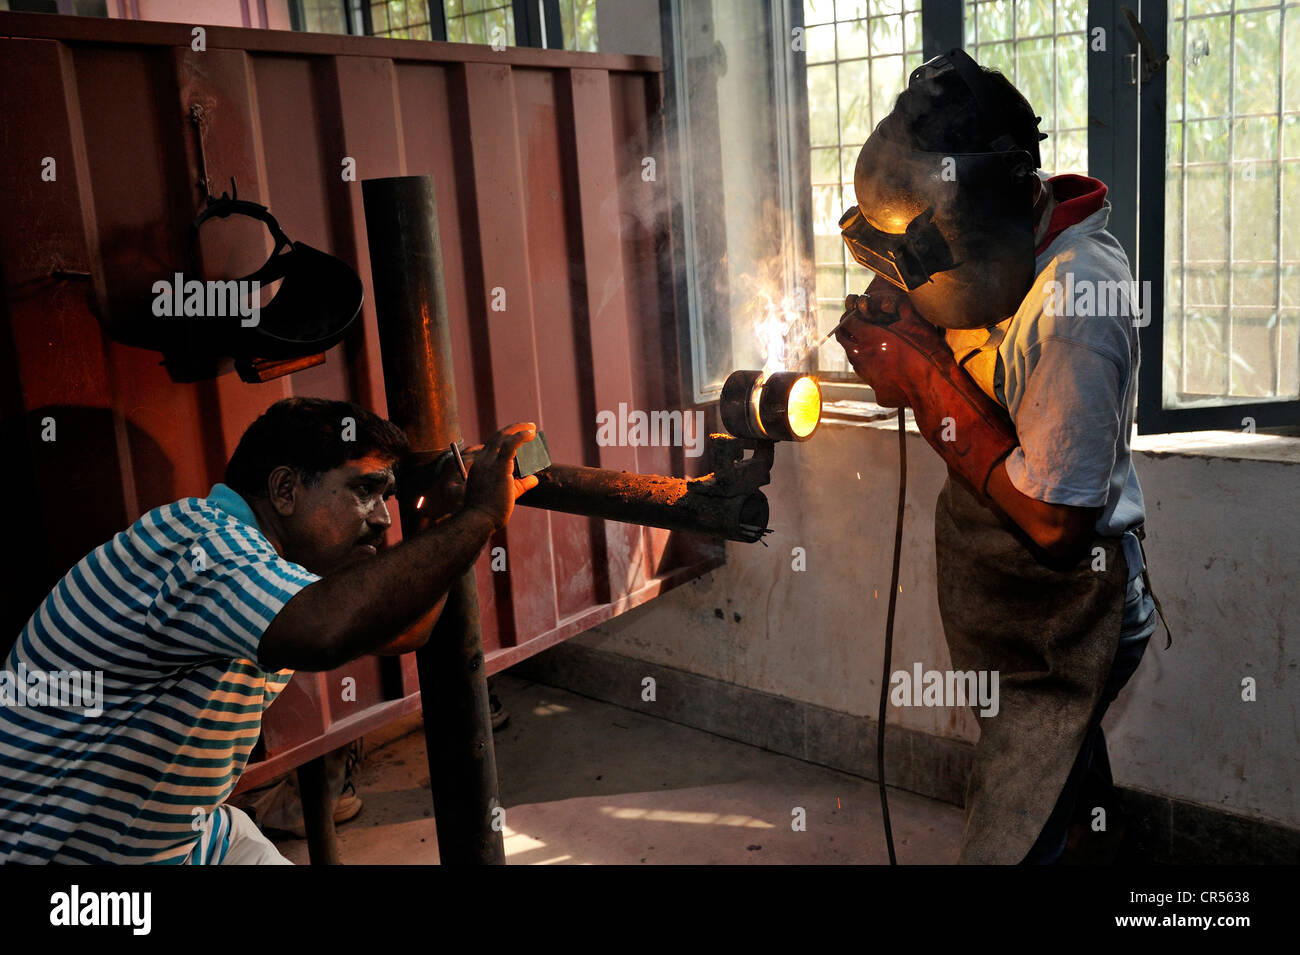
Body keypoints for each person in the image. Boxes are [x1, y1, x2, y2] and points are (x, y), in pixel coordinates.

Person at [834, 50, 1166, 864]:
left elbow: (1056, 525)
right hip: (1007, 605)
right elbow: (966, 363)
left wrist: (921, 382)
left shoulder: (1077, 304)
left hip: (1066, 618)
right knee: (1067, 785)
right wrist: (905, 333)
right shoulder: (993, 252)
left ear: (1009, 203)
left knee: (1011, 832)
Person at [0, 396, 537, 864]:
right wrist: (482, 517)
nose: (382, 518)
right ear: (284, 490)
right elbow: (326, 630)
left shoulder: (273, 569)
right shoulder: (203, 545)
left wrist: (449, 520)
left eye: (386, 497)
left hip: (187, 842)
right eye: (365, 491)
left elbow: (401, 632)